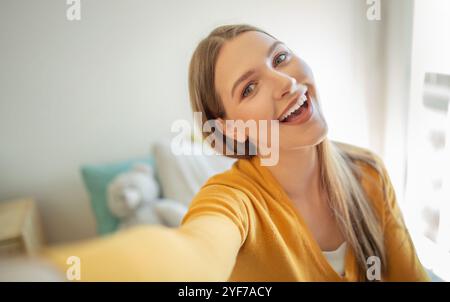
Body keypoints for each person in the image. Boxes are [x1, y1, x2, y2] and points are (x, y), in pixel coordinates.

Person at [41, 24, 430, 281]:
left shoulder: (368, 171)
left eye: (280, 57)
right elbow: (190, 256)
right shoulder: (231, 201)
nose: (286, 82)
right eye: (248, 88)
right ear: (229, 128)